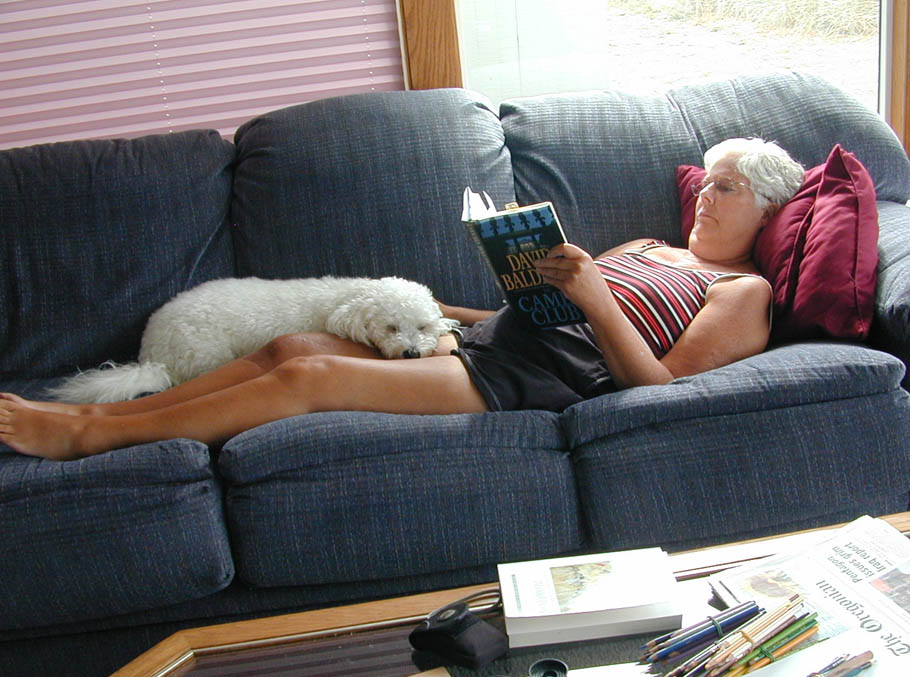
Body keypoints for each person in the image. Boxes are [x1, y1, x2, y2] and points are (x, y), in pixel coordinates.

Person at [0, 137, 804, 460]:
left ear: (766, 209)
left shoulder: (742, 290)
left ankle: (83, 443)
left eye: (727, 187)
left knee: (308, 384)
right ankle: (91, 415)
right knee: (291, 349)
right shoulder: (646, 249)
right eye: (707, 179)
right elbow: (525, 317)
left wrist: (594, 298)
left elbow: (661, 392)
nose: (705, 194)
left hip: (540, 381)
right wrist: (453, 303)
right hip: (504, 343)